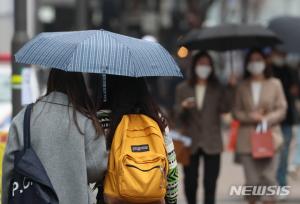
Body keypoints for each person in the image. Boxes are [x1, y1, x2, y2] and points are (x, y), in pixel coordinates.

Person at [2, 69, 108, 204]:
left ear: (51, 81)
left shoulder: (24, 117)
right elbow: (96, 168)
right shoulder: (85, 120)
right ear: (79, 84)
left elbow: (9, 169)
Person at [99, 76, 178, 204]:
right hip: (152, 198)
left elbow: (97, 165)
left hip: (115, 198)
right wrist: (171, 200)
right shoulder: (156, 118)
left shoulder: (104, 118)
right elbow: (172, 167)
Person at [175, 52, 233, 204]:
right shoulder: (183, 88)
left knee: (210, 182)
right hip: (190, 141)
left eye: (207, 64)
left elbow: (226, 108)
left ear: (212, 67)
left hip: (212, 141)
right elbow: (177, 116)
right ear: (194, 66)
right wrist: (183, 107)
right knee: (190, 182)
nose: (204, 67)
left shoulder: (218, 88)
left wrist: (231, 88)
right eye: (201, 63)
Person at [233, 49, 287, 204]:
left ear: (265, 62)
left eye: (258, 59)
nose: (255, 63)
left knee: (269, 181)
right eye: (251, 60)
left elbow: (282, 108)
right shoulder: (242, 86)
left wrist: (266, 118)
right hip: (247, 140)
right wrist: (251, 117)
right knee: (252, 183)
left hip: (271, 138)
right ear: (247, 64)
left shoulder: (275, 83)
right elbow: (236, 111)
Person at [270, 49, 299, 192]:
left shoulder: (291, 71)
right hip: (270, 119)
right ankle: (267, 184)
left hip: (287, 119)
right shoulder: (268, 71)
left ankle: (281, 185)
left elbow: (296, 92)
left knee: (284, 153)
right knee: (267, 154)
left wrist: (295, 89)